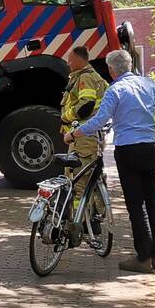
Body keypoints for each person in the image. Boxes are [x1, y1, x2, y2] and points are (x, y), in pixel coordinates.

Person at [64, 49, 155, 274]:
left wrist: (73, 134)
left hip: (127, 151)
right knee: (152, 202)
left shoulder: (115, 90)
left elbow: (99, 120)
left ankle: (143, 257)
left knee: (135, 205)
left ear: (112, 70)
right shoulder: (148, 84)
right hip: (149, 148)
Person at [61, 46, 108, 215]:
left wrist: (65, 117)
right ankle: (91, 217)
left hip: (83, 139)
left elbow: (85, 106)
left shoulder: (85, 78)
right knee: (88, 179)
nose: (68, 63)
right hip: (87, 137)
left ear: (80, 60)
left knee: (78, 182)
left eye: (70, 60)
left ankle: (79, 223)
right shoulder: (94, 77)